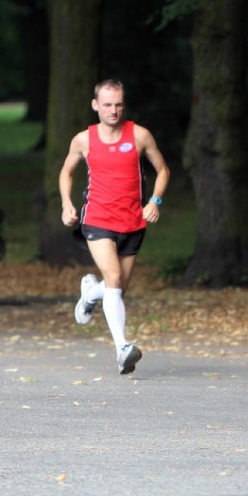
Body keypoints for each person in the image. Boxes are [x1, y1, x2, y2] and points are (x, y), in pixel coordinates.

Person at [59, 79, 170, 375]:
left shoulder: (139, 135)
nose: (113, 110)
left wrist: (155, 201)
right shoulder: (84, 140)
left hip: (133, 221)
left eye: (118, 104)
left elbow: (163, 170)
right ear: (95, 105)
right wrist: (67, 205)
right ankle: (122, 348)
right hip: (97, 218)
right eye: (107, 104)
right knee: (113, 275)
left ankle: (89, 294)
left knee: (116, 288)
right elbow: (66, 172)